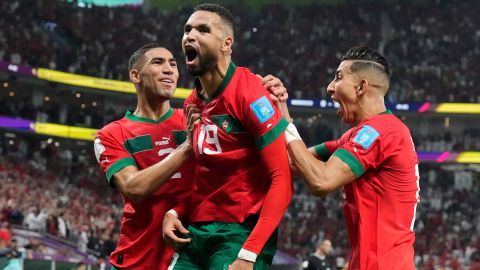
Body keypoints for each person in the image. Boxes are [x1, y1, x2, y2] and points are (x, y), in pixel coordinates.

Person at [94, 43, 287, 269]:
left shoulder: (199, 116)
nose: (169, 69)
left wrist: (270, 95)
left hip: (196, 250)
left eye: (173, 64)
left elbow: (246, 156)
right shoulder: (112, 134)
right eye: (158, 62)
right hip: (139, 256)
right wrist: (188, 145)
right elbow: (134, 188)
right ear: (136, 75)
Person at [163, 3, 292, 270]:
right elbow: (205, 178)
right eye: (187, 29)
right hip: (196, 234)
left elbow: (282, 180)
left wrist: (249, 253)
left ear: (226, 44)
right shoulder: (191, 104)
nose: (190, 35)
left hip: (240, 234)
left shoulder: (251, 93)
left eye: (202, 29)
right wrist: (176, 212)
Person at [280, 46, 419, 269]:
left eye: (338, 78)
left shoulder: (381, 131)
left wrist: (284, 121)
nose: (330, 88)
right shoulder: (359, 135)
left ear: (362, 86)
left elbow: (321, 181)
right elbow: (295, 163)